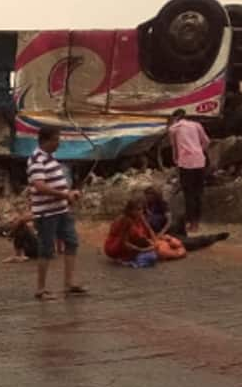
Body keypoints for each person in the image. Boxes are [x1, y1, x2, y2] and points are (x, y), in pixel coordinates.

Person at [27, 126, 88, 299]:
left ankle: (69, 283)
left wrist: (68, 194)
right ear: (46, 140)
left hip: (61, 209)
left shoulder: (50, 157)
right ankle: (41, 289)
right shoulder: (37, 159)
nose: (59, 143)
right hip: (46, 213)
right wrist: (64, 194)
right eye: (56, 140)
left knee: (72, 242)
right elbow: (39, 185)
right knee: (46, 249)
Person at [143, 186, 229, 252]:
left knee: (189, 239)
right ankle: (205, 238)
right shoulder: (144, 206)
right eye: (147, 194)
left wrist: (161, 233)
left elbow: (169, 220)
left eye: (150, 194)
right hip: (158, 232)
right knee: (186, 243)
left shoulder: (162, 204)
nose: (147, 197)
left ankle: (213, 238)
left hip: (167, 229)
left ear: (155, 195)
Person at [167, 109, 210, 232]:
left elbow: (174, 148)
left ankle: (191, 223)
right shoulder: (196, 125)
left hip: (185, 164)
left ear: (175, 118)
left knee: (189, 194)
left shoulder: (173, 129)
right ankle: (196, 222)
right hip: (200, 162)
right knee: (198, 193)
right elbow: (206, 141)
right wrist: (199, 151)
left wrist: (176, 160)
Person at [103, 198, 158, 267]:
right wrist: (142, 249)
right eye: (137, 209)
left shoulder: (139, 216)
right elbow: (124, 243)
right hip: (116, 246)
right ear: (130, 210)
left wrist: (155, 242)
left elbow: (149, 229)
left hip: (132, 243)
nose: (140, 212)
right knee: (153, 255)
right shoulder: (126, 221)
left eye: (141, 209)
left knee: (156, 250)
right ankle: (127, 259)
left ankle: (134, 257)